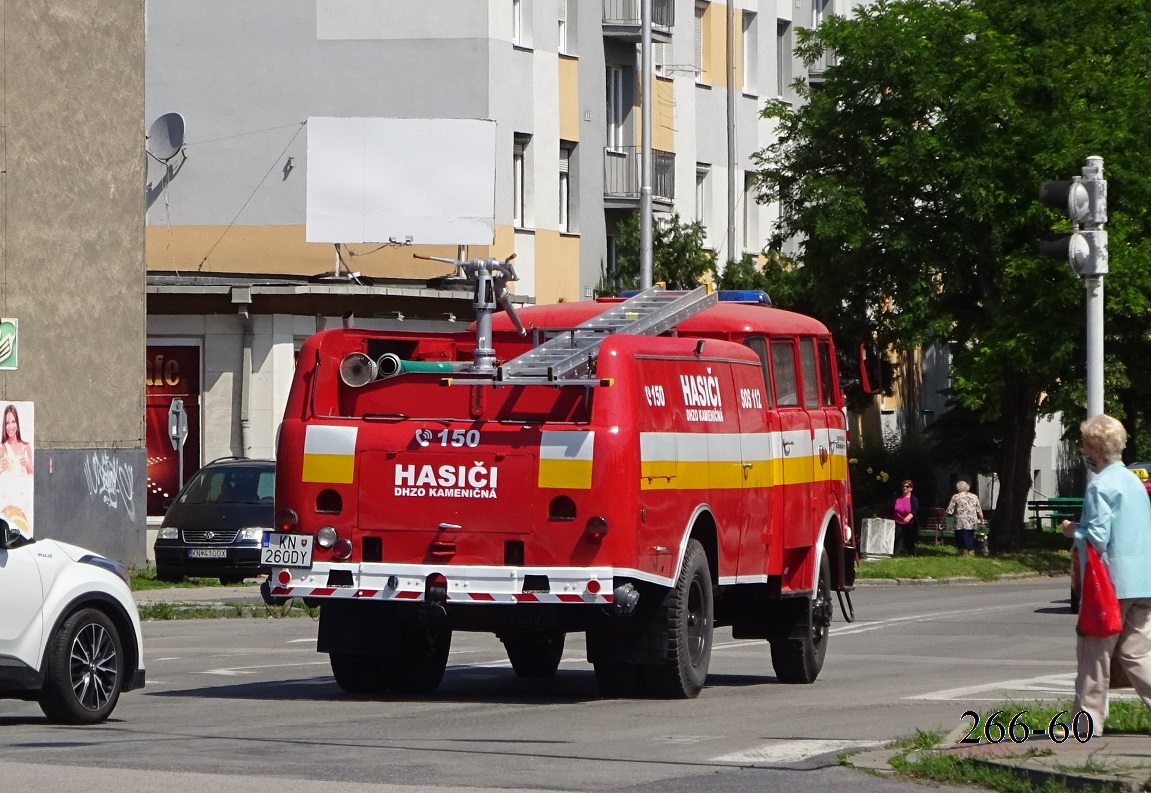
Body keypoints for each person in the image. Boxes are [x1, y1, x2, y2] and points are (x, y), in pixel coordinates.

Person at [1061, 414, 1151, 734]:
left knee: (1094, 654)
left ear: (1095, 448)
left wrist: (1074, 531)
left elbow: (1098, 538)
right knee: (1138, 653)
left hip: (1111, 583)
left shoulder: (1101, 485)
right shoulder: (1133, 482)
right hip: (1143, 580)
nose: (1084, 451)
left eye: (1085, 444)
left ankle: (1087, 722)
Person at [946, 480, 984, 556]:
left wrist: (943, 518)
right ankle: (970, 551)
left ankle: (961, 551)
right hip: (971, 520)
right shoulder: (974, 497)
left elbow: (949, 510)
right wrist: (982, 520)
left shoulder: (956, 497)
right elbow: (979, 510)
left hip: (960, 521)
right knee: (970, 535)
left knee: (959, 536)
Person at [0, 404, 33, 476]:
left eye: (13, 421)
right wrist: (1, 469)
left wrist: (27, 464)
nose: (10, 426)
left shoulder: (26, 446)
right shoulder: (2, 448)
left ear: (17, 423)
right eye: (7, 423)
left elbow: (33, 477)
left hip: (23, 486)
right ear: (4, 425)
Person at [893, 479, 919, 556]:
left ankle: (911, 554)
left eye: (907, 486)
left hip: (910, 522)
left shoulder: (913, 499)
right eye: (903, 486)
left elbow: (915, 509)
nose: (905, 488)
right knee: (898, 538)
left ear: (911, 488)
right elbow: (892, 508)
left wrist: (909, 516)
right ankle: (896, 554)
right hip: (898, 521)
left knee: (909, 539)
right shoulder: (898, 498)